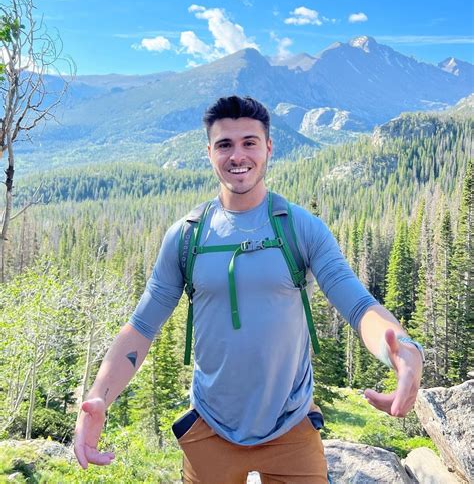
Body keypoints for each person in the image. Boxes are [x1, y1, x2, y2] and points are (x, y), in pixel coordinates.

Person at [74, 95, 424, 483]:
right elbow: (141, 327)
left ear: (268, 147)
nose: (237, 156)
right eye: (225, 144)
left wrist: (403, 349)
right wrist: (99, 397)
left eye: (249, 143)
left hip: (292, 430)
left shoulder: (301, 228)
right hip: (209, 430)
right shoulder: (186, 237)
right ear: (209, 152)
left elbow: (358, 306)